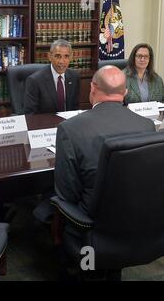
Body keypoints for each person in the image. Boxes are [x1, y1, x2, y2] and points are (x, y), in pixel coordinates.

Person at [55, 66, 155, 218]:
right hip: (142, 217)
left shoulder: (69, 129)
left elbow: (67, 194)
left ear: (92, 88)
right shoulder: (147, 125)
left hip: (94, 220)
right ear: (125, 92)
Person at [23, 39, 80, 114]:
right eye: (57, 56)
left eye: (66, 56)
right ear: (50, 56)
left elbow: (74, 108)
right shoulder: (35, 80)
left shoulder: (74, 76)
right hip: (45, 124)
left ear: (71, 57)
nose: (61, 61)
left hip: (67, 123)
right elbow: (30, 115)